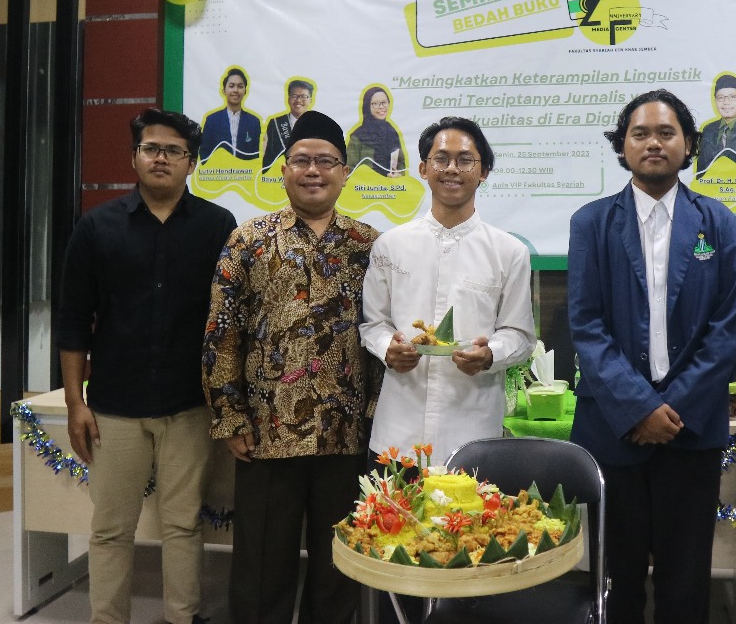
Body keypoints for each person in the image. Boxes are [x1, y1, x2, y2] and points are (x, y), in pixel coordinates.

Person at [568, 89, 736, 624]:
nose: (653, 143)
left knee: (686, 584)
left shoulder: (718, 221)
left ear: (688, 145)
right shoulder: (591, 222)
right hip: (613, 430)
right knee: (616, 583)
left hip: (690, 433)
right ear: (622, 145)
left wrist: (674, 408)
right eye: (640, 133)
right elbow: (586, 325)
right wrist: (639, 408)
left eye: (666, 133)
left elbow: (728, 326)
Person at [57, 108, 236, 624]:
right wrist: (75, 403)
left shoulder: (218, 226)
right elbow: (74, 321)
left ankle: (182, 616)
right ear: (134, 157)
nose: (162, 158)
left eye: (174, 151)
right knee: (111, 528)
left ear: (191, 163)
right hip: (114, 407)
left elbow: (231, 320)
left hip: (189, 405)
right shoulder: (96, 227)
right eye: (151, 148)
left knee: (182, 525)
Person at [203, 109, 380, 624]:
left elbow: (382, 336)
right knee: (261, 566)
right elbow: (221, 333)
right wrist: (231, 416)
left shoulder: (370, 246)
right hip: (267, 433)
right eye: (302, 160)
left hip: (345, 434)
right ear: (283, 170)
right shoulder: (249, 240)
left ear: (344, 172)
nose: (313, 171)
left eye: (326, 161)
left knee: (340, 566)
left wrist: (376, 416)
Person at [361, 116, 535, 465]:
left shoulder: (509, 251)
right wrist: (387, 348)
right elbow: (373, 324)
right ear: (423, 169)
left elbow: (520, 334)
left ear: (484, 172)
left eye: (465, 160)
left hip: (473, 435)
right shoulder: (391, 245)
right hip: (398, 437)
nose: (452, 168)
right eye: (441, 159)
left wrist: (490, 355)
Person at [200, 68, 262, 161]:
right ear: (224, 90)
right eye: (231, 86)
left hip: (245, 170)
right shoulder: (212, 120)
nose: (235, 90)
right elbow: (204, 154)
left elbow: (255, 155)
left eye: (240, 86)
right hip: (218, 169)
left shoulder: (254, 122)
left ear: (245, 91)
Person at [346, 85, 406, 176]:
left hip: (390, 184)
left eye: (384, 102)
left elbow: (401, 163)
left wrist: (399, 174)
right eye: (375, 103)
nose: (381, 107)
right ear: (367, 106)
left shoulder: (392, 132)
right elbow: (349, 171)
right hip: (365, 184)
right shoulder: (357, 136)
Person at [261, 78, 315, 169]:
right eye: (294, 96)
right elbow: (267, 155)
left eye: (303, 96)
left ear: (311, 100)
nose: (298, 100)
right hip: (280, 173)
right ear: (288, 99)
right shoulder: (275, 124)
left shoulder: (318, 125)